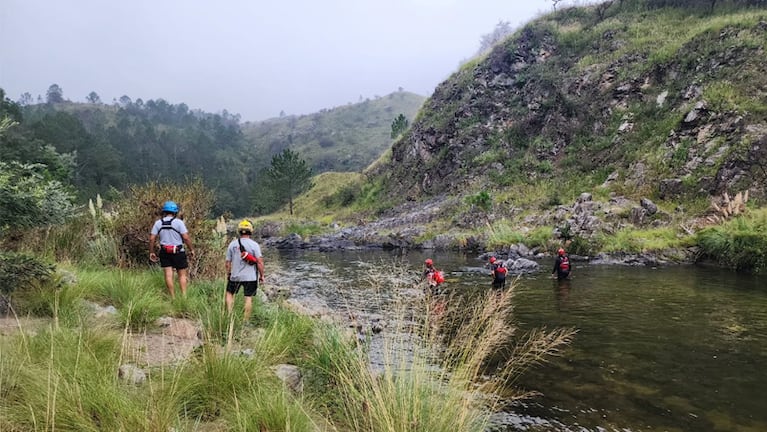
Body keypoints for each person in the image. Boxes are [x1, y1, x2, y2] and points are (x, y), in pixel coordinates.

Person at [149, 200, 195, 298]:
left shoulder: (158, 223)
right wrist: (191, 249)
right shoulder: (179, 223)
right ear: (175, 212)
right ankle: (184, 296)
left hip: (164, 252)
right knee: (182, 275)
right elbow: (186, 238)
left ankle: (173, 297)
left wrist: (151, 252)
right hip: (178, 251)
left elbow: (152, 238)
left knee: (168, 275)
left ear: (164, 212)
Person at [225, 220, 265, 321]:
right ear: (250, 231)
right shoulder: (254, 245)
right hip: (250, 277)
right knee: (248, 298)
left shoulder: (232, 244)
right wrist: (262, 276)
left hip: (235, 276)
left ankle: (229, 316)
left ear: (239, 231)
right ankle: (245, 320)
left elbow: (227, 263)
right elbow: (260, 262)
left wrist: (228, 273)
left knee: (230, 294)